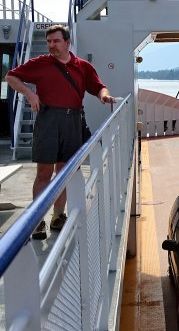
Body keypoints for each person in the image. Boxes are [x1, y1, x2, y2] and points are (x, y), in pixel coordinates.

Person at [6, 24, 116, 240]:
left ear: (68, 43)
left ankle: (58, 215)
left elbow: (98, 86)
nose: (51, 46)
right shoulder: (40, 63)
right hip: (48, 120)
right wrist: (29, 94)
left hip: (73, 119)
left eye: (56, 41)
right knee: (43, 172)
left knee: (64, 171)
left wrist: (104, 96)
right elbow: (11, 77)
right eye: (49, 42)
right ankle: (37, 221)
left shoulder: (82, 66)